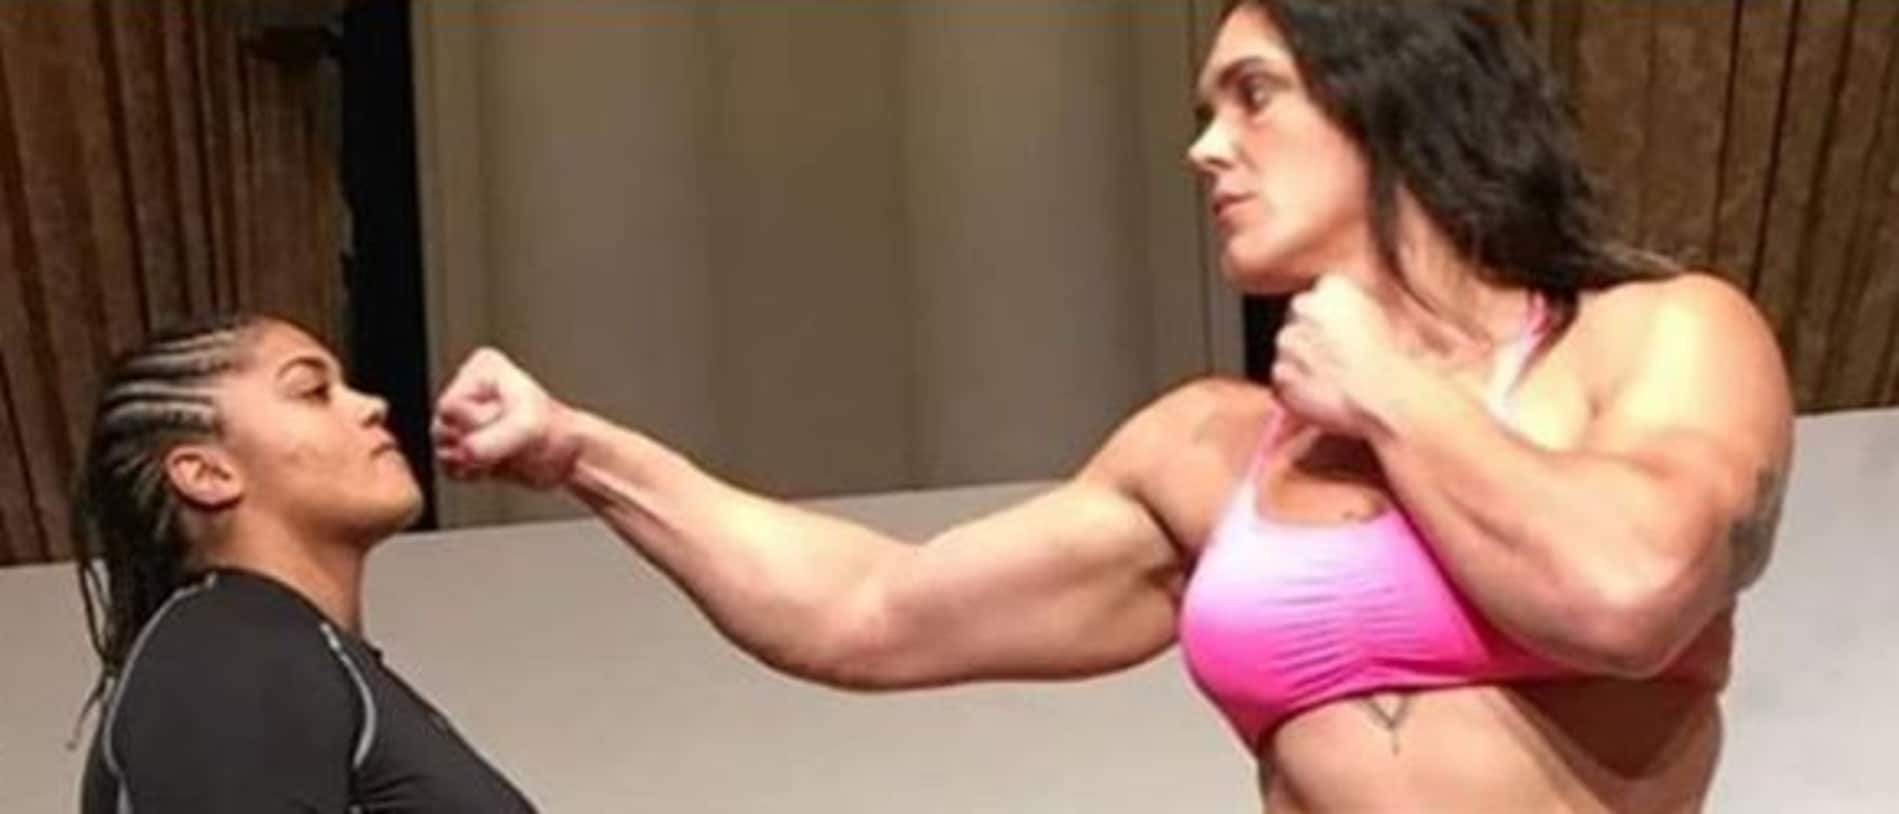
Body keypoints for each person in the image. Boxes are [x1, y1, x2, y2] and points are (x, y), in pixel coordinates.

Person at [432, 1, 1792, 810]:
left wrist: (1387, 393)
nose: (1204, 147)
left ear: (1397, 104)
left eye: (1252, 96)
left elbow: (1624, 592)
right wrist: (581, 450)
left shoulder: (1654, 336)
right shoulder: (1208, 447)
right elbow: (867, 609)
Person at [73, 315, 536, 813]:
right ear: (208, 474)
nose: (372, 405)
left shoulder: (292, 652)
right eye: (313, 391)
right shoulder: (229, 649)